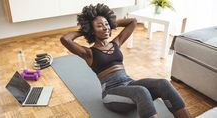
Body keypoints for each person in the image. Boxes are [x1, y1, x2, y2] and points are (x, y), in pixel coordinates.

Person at [60, 3, 191, 118]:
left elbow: (132, 22)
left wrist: (110, 24)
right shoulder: (88, 53)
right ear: (92, 30)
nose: (105, 28)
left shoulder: (115, 43)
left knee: (163, 83)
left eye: (106, 24)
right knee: (141, 91)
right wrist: (85, 30)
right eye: (100, 26)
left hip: (130, 84)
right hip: (111, 93)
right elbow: (65, 39)